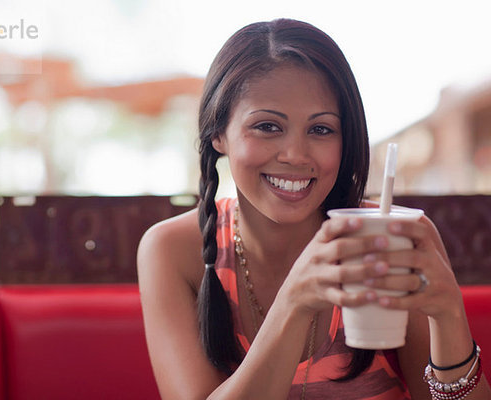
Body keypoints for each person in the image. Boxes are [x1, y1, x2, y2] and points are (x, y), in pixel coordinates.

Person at [137, 19, 490, 400]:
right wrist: (296, 301)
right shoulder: (172, 250)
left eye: (321, 130)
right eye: (268, 126)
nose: (295, 155)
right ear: (218, 133)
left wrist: (450, 316)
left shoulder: (392, 240)